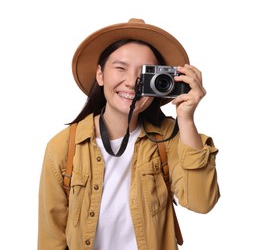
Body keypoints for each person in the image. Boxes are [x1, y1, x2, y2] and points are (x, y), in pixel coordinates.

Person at [38, 18, 220, 250]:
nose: (132, 83)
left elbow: (201, 202)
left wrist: (186, 119)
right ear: (100, 75)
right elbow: (50, 238)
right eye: (121, 68)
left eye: (145, 74)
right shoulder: (63, 147)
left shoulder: (170, 139)